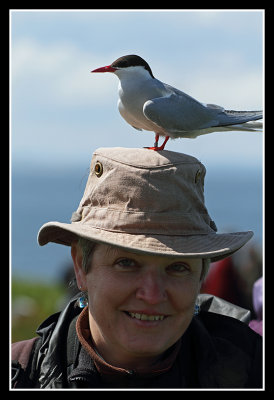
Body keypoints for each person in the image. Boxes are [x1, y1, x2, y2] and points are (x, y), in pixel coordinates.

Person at [11, 147, 262, 389]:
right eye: (127, 263)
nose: (152, 294)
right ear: (80, 266)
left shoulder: (252, 368)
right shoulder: (20, 375)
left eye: (177, 267)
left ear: (201, 276)